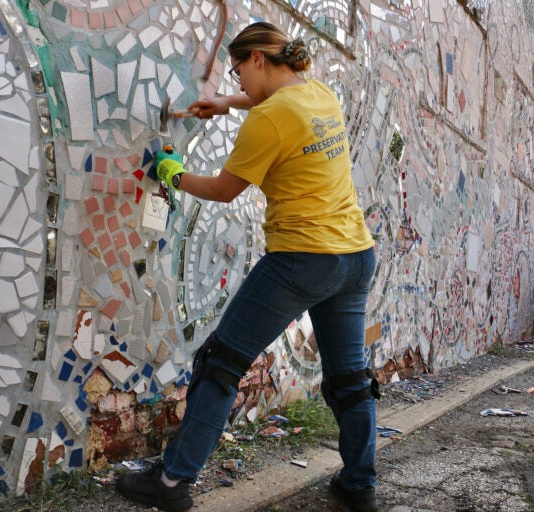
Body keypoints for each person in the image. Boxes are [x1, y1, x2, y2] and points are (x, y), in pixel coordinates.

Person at [116, 21, 379, 512]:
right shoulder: (319, 93)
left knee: (222, 362)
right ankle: (359, 486)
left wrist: (172, 173)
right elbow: (271, 104)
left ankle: (172, 483)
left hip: (303, 259)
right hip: (356, 257)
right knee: (350, 380)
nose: (237, 83)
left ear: (257, 57)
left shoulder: (270, 118)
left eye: (237, 71)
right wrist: (225, 104)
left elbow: (222, 189)